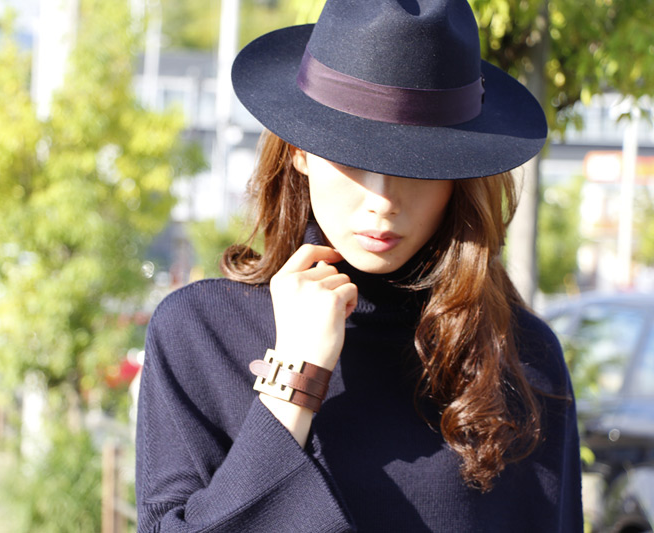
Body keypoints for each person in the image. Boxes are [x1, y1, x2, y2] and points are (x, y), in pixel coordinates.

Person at [135, 0, 583, 531]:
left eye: (420, 164)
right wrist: (294, 378)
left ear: (461, 174)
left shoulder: (522, 360)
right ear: (300, 148)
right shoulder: (200, 334)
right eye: (353, 154)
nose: (382, 200)